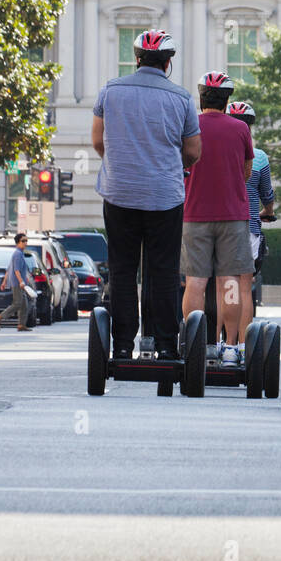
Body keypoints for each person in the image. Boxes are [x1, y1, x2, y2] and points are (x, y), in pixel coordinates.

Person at [92, 29, 201, 360]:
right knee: (164, 269)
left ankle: (123, 343)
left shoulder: (110, 91)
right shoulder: (181, 98)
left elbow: (98, 140)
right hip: (164, 195)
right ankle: (167, 344)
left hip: (119, 193)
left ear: (137, 58)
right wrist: (172, 165)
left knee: (122, 269)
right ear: (168, 62)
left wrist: (122, 163)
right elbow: (193, 151)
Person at [181, 72, 254, 367]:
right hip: (232, 216)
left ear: (201, 98)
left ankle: (194, 345)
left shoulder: (190, 126)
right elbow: (246, 172)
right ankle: (231, 348)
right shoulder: (240, 129)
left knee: (195, 283)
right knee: (230, 284)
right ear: (227, 100)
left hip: (194, 214)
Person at [227, 100, 276, 327]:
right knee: (245, 287)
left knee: (225, 286)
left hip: (220, 223)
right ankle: (244, 345)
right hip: (249, 226)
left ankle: (218, 343)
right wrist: (268, 211)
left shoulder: (217, 154)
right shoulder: (259, 157)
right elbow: (267, 194)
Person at [0, 232, 35, 331]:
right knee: (18, 303)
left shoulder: (19, 253)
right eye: (23, 241)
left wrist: (4, 282)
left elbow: (9, 269)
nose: (25, 243)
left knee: (24, 304)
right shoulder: (17, 254)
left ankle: (21, 325)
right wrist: (21, 282)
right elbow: (16, 270)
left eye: (26, 241)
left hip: (20, 283)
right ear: (18, 242)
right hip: (17, 283)